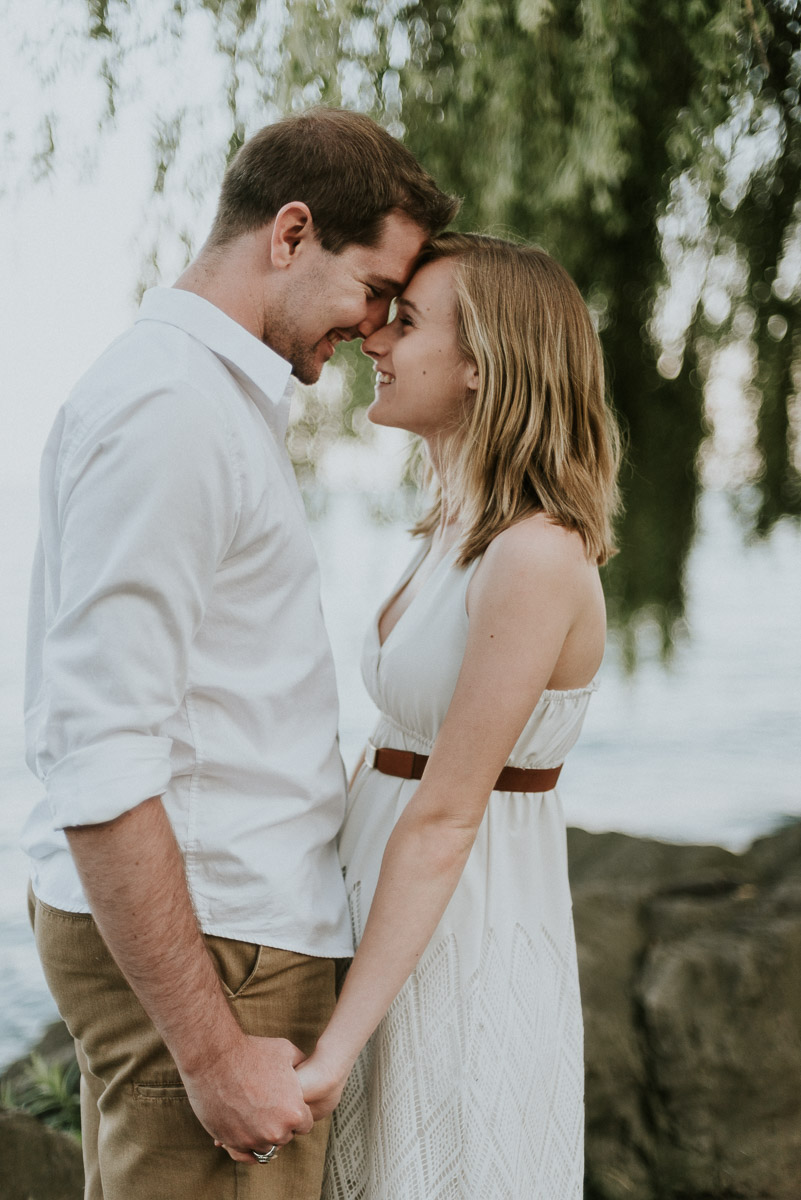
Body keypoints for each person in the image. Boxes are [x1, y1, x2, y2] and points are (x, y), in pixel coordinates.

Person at [22, 107, 457, 1200]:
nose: (372, 331)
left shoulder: (202, 398)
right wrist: (213, 1054)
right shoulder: (173, 411)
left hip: (231, 934)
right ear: (291, 233)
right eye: (375, 291)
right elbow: (100, 752)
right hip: (223, 950)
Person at [294, 233, 622, 1198]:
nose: (373, 339)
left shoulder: (535, 554)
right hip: (377, 916)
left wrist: (333, 1050)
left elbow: (444, 818)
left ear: (482, 364)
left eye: (405, 322)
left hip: (459, 933)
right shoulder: (450, 527)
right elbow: (391, 757)